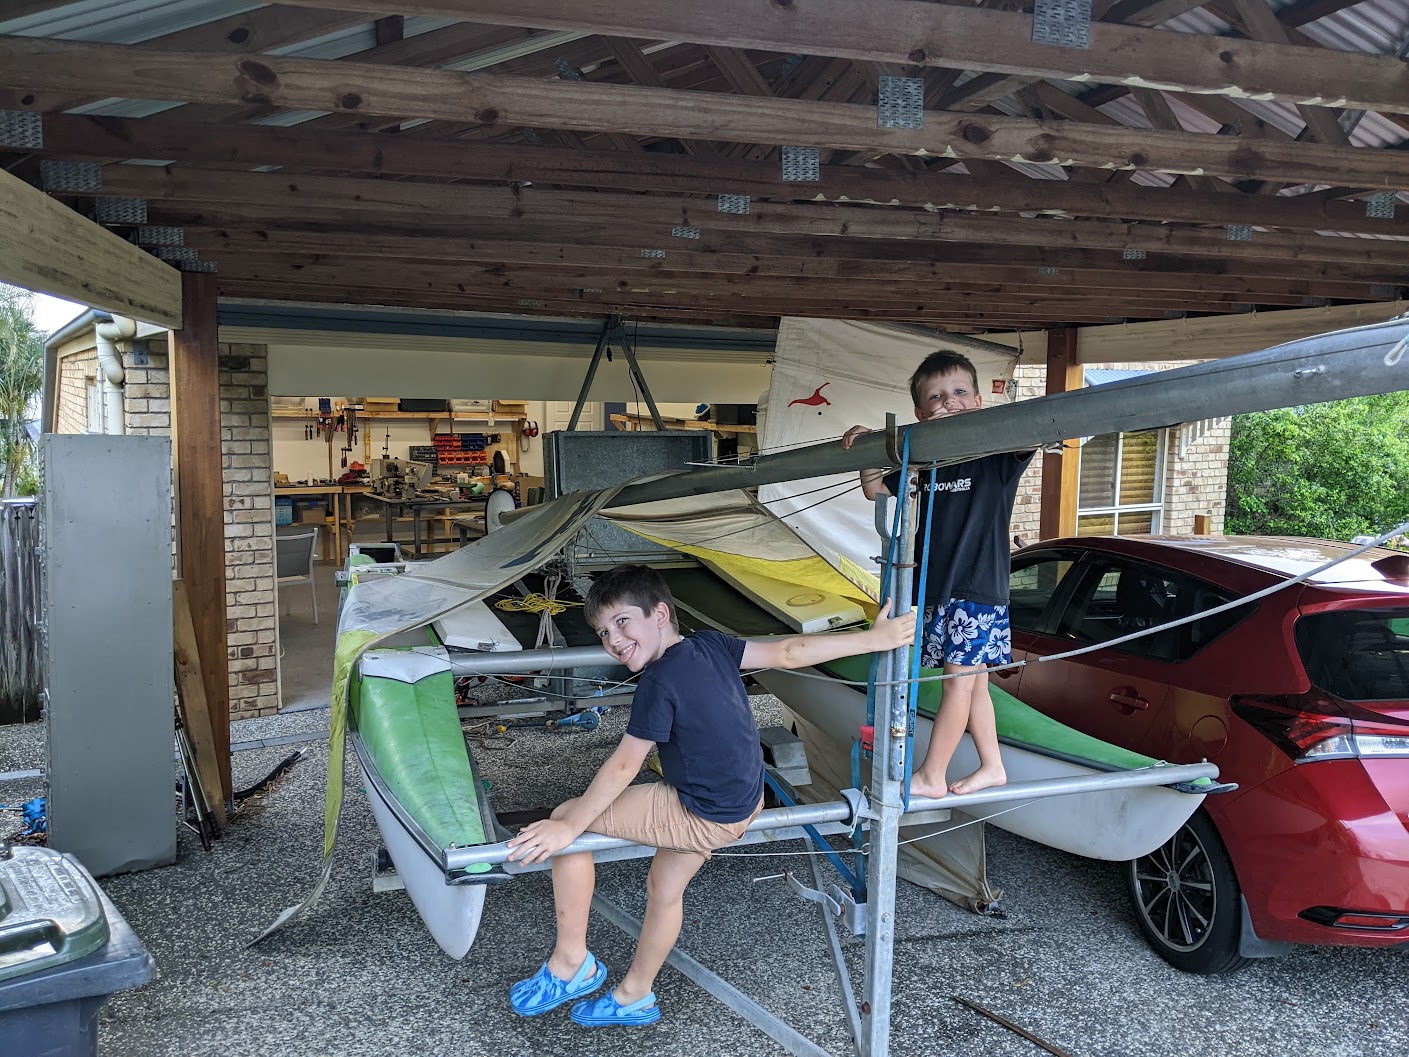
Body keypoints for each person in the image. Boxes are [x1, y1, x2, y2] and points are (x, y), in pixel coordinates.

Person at [504, 563, 915, 1028]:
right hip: (743, 798)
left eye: (622, 622)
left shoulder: (658, 681)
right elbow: (788, 650)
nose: (613, 640)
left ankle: (570, 962)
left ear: (659, 614)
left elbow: (624, 764)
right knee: (664, 887)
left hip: (701, 812)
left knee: (567, 816)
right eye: (603, 632)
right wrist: (872, 639)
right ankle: (634, 994)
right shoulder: (712, 644)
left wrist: (568, 827)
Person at [842, 350, 1034, 800]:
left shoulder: (996, 458)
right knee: (974, 682)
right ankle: (992, 765)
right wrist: (869, 446)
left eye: (960, 392)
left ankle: (932, 775)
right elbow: (874, 487)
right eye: (937, 397)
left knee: (957, 682)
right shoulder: (925, 461)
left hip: (977, 588)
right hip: (942, 589)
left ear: (979, 400)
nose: (950, 402)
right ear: (920, 413)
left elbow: (1035, 429)